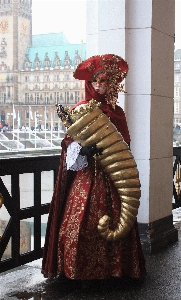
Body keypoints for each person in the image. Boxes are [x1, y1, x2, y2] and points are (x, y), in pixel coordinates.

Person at [42, 54, 146, 283]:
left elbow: (124, 145)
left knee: (119, 217)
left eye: (104, 81)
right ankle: (79, 271)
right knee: (79, 223)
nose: (100, 85)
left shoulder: (116, 112)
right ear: (89, 84)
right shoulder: (80, 110)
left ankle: (117, 270)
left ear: (111, 84)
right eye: (95, 81)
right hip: (88, 175)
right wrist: (83, 151)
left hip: (112, 176)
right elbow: (69, 146)